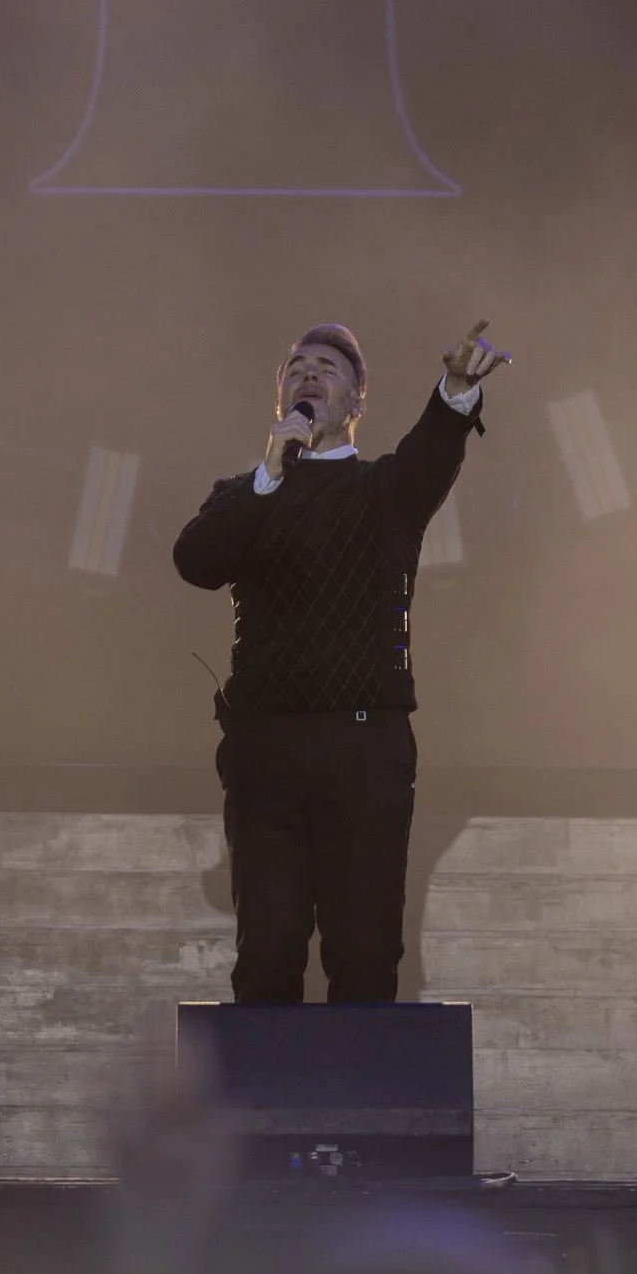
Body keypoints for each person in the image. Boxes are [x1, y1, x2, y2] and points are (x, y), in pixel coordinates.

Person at [173, 322, 507, 1003]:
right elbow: (197, 561)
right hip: (266, 752)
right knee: (266, 951)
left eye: (327, 367)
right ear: (280, 399)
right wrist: (267, 475)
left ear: (356, 400)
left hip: (364, 751)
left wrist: (456, 391)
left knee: (363, 953)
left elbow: (430, 454)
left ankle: (366, 1110)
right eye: (295, 367)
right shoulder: (245, 494)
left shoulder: (382, 491)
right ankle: (265, 1109)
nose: (308, 375)